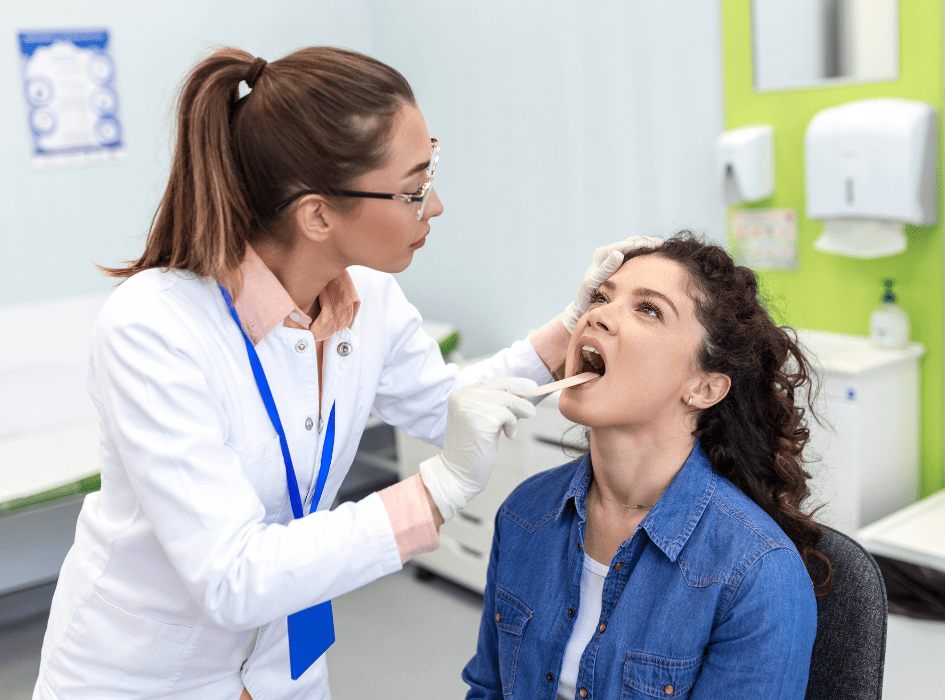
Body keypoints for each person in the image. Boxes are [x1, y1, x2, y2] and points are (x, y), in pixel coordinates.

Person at [31, 46, 654, 700]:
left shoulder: (369, 301)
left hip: (283, 665)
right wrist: (433, 492)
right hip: (142, 676)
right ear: (317, 214)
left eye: (430, 171)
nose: (434, 205)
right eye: (413, 188)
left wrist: (568, 324)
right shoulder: (154, 328)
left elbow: (447, 405)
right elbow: (231, 575)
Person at [463, 231, 832, 700]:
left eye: (648, 309)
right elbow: (489, 689)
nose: (597, 315)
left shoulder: (758, 575)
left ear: (703, 388)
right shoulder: (524, 513)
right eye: (601, 296)